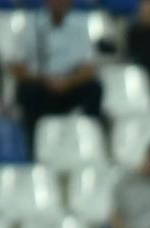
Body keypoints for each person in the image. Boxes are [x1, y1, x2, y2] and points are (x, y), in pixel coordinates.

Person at [11, 0, 103, 141]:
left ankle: (89, 139)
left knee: (94, 88)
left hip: (70, 84)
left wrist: (68, 82)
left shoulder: (80, 25)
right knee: (26, 91)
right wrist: (43, 80)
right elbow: (16, 66)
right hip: (41, 84)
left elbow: (89, 67)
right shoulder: (31, 25)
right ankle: (32, 143)